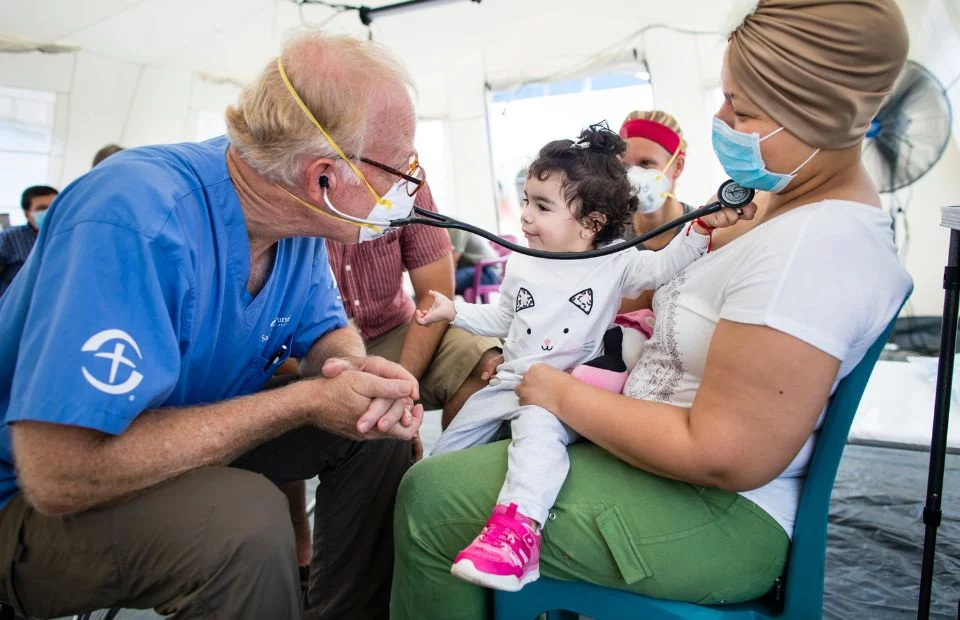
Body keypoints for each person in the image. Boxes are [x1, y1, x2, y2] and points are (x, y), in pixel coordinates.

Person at [391, 0, 911, 617]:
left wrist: (560, 395)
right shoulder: (787, 215)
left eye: (741, 108)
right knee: (484, 448)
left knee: (432, 498)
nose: (720, 117)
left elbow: (724, 451)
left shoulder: (811, 248)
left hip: (718, 515)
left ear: (819, 114)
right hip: (671, 477)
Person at [0, 32, 426, 620]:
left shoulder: (292, 221)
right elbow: (58, 473)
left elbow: (326, 330)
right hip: (27, 503)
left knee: (373, 429)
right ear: (323, 176)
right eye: (397, 164)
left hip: (182, 444)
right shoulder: (134, 218)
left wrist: (355, 372)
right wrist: (300, 401)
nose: (409, 184)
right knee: (241, 523)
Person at [414, 123, 746, 591]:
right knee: (442, 460)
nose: (526, 217)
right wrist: (456, 312)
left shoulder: (617, 260)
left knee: (536, 438)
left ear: (591, 223)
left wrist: (701, 228)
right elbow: (505, 317)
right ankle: (443, 528)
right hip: (509, 380)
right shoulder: (524, 259)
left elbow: (665, 265)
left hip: (560, 390)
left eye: (542, 206)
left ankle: (519, 533)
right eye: (526, 200)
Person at [325, 189, 502, 430]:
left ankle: (446, 462)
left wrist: (400, 388)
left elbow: (437, 289)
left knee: (487, 362)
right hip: (315, 342)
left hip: (393, 328)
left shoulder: (407, 181)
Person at [619, 110, 694, 251]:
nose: (632, 176)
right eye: (625, 166)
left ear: (678, 166)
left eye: (645, 163)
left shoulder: (699, 231)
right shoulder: (611, 235)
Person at [0, 185, 58, 296]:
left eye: (54, 207)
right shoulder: (10, 237)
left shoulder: (70, 238)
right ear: (27, 214)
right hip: (17, 302)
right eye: (42, 208)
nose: (50, 212)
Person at [449, 228, 501, 296]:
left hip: (488, 271)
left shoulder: (456, 229)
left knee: (448, 281)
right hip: (471, 267)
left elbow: (452, 262)